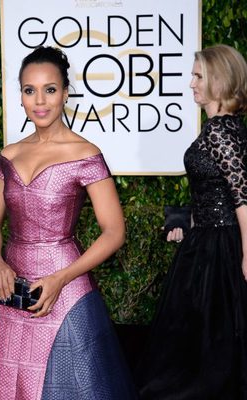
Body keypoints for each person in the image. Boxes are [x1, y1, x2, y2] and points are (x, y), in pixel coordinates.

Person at [0, 46, 138, 400]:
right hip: (10, 288)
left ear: (65, 94)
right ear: (21, 97)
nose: (39, 101)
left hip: (66, 285)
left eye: (50, 89)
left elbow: (114, 231)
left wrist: (61, 278)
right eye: (30, 90)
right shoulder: (9, 155)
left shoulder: (84, 153)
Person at [136, 44, 247, 399]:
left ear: (219, 79)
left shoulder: (220, 131)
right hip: (207, 240)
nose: (191, 83)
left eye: (198, 75)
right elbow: (215, 191)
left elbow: (243, 197)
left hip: (220, 247)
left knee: (209, 336)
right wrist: (186, 218)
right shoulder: (221, 128)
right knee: (203, 336)